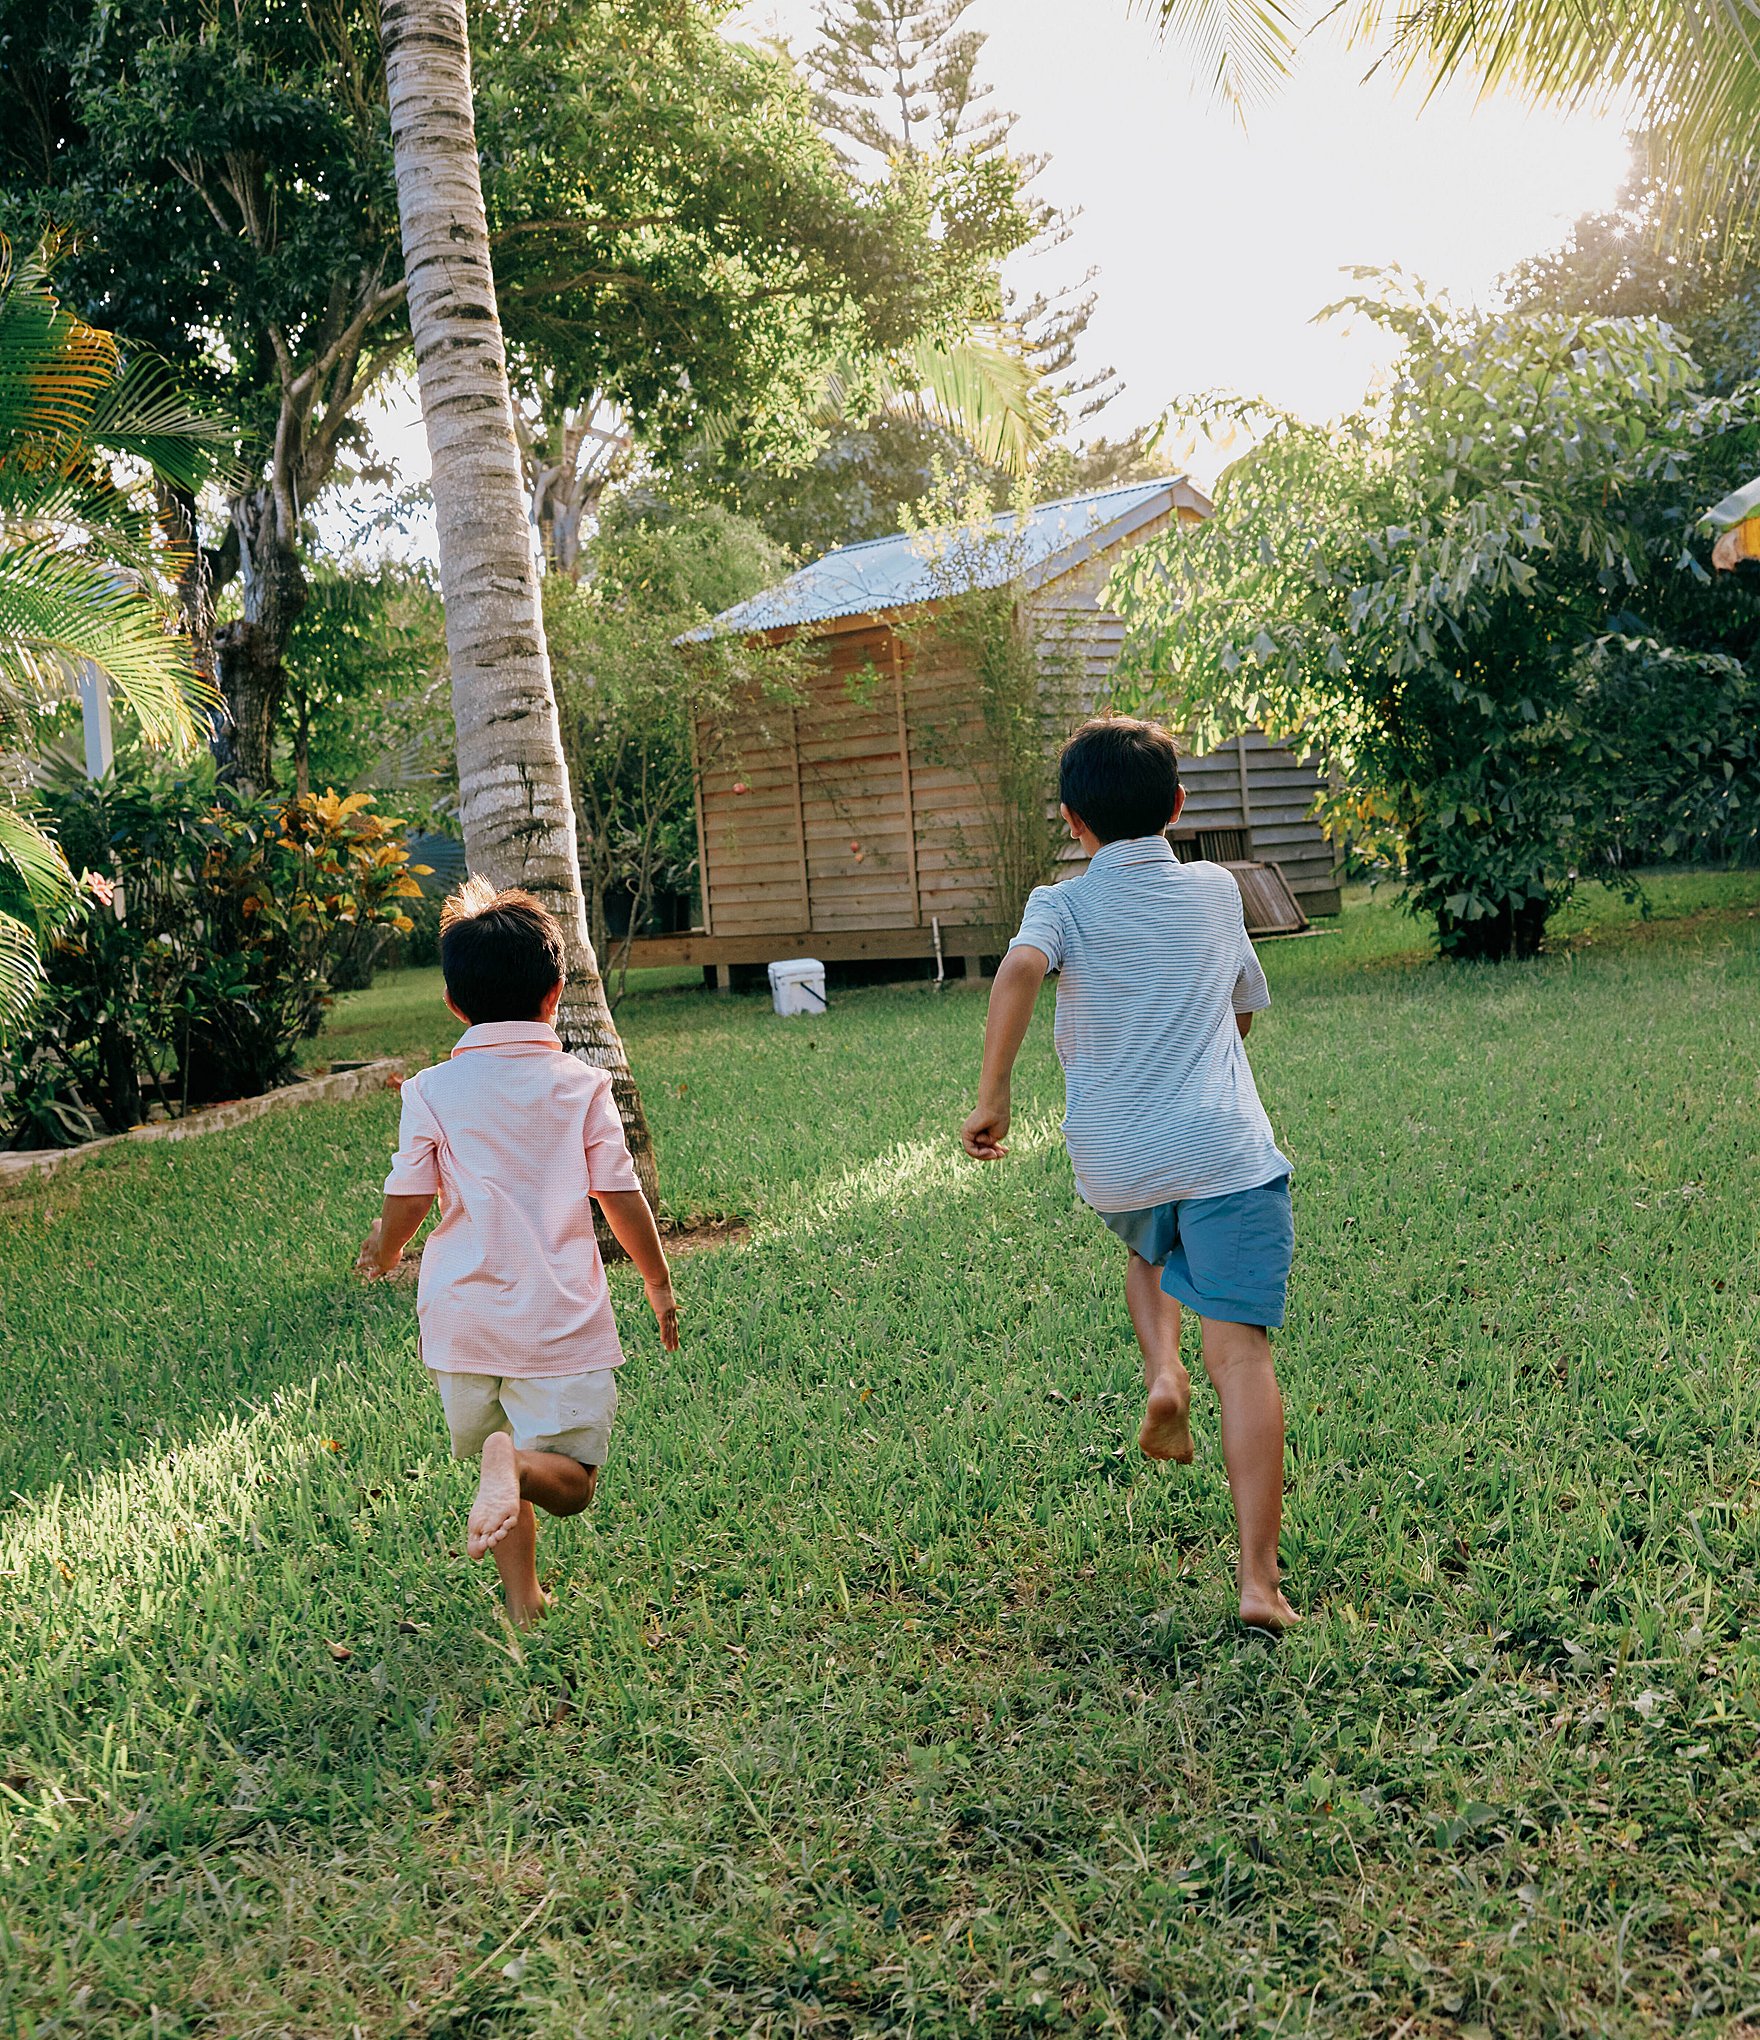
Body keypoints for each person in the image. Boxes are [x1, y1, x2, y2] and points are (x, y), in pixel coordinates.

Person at [961, 717, 1299, 1631]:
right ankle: (1260, 1583)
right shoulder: (1217, 893)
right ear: (1179, 807)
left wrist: (995, 1097)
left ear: (1073, 821)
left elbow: (1020, 970)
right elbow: (1242, 1009)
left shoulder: (1059, 905)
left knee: (1151, 1240)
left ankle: (1161, 1372)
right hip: (1226, 1152)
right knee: (1245, 1355)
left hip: (1119, 1162)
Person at [357, 878, 678, 1626]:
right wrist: (657, 1283)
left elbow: (407, 1198)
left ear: (453, 1004)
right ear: (555, 993)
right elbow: (620, 1196)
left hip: (463, 1324)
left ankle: (523, 1598)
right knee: (566, 1477)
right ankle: (513, 1476)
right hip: (556, 1321)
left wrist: (386, 1249)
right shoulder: (582, 1085)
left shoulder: (431, 1090)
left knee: (503, 1456)